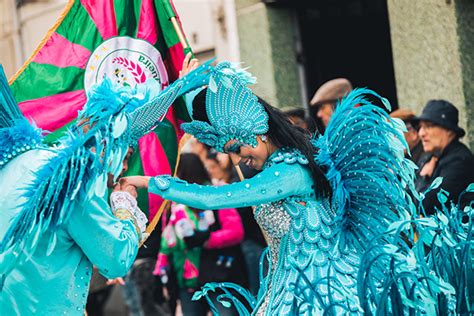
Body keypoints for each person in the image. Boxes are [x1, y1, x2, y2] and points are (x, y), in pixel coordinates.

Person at [120, 62, 473, 314]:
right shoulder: (271, 166)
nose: (239, 160)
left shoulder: (292, 172)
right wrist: (192, 89)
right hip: (287, 285)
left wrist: (150, 182)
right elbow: (246, 183)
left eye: (239, 150)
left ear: (258, 134)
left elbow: (216, 197)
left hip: (324, 291)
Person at [0, 58, 209, 315]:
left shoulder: (22, 159)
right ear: (110, 145)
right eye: (127, 154)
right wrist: (126, 206)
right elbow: (116, 258)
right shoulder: (75, 180)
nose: (124, 168)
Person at [155, 153, 246, 316]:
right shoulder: (173, 204)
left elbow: (236, 231)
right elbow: (166, 242)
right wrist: (160, 271)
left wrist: (206, 240)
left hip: (217, 276)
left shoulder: (215, 195)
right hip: (186, 281)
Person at [414, 99, 474, 214]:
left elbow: (425, 204)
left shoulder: (460, 161)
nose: (421, 133)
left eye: (429, 126)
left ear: (449, 130)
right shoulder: (431, 157)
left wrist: (424, 178)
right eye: (420, 127)